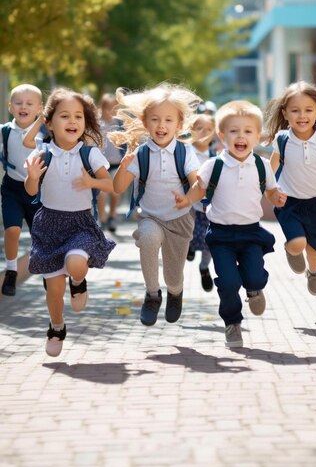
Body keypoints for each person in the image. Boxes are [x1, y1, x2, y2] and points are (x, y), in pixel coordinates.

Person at [174, 100, 287, 348]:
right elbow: (198, 188)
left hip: (251, 233)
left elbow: (269, 191)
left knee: (254, 277)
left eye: (248, 131)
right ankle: (232, 323)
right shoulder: (213, 165)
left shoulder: (262, 165)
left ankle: (255, 289)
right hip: (221, 235)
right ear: (221, 135)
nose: (241, 136)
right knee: (228, 282)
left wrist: (275, 197)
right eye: (234, 131)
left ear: (257, 136)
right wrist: (186, 200)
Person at [24, 87, 116, 357]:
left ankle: (78, 280)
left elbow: (109, 184)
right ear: (50, 123)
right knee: (54, 290)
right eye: (65, 116)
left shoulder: (90, 154)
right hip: (48, 226)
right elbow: (31, 192)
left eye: (79, 116)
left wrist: (92, 182)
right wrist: (31, 176)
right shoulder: (41, 154)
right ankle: (56, 326)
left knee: (76, 263)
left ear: (85, 122)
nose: (73, 121)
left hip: (80, 224)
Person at [111, 82, 201, 327]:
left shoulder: (185, 152)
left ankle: (175, 291)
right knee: (148, 237)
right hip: (150, 216)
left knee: (173, 274)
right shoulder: (140, 154)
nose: (161, 125)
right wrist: (122, 166)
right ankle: (152, 295)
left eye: (168, 120)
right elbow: (118, 188)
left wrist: (188, 199)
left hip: (180, 220)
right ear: (145, 121)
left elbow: (198, 184)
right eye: (155, 119)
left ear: (179, 125)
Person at [264, 81, 316, 295]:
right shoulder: (282, 140)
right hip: (289, 203)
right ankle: (291, 250)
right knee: (298, 243)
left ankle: (314, 272)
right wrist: (268, 190)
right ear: (285, 114)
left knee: (314, 250)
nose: (302, 115)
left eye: (308, 110)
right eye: (295, 110)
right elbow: (271, 170)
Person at [0, 84, 44, 296]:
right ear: (10, 107)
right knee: (12, 230)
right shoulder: (5, 131)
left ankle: (47, 271)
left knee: (41, 235)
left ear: (40, 109)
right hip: (11, 189)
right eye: (18, 103)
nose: (23, 107)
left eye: (29, 103)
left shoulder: (43, 136)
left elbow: (29, 146)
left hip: (36, 190)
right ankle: (11, 271)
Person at [186, 113, 216, 291]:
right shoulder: (186, 153)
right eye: (199, 128)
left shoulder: (216, 156)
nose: (204, 132)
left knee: (210, 240)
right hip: (189, 204)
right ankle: (189, 246)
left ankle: (204, 267)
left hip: (209, 206)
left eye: (209, 129)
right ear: (191, 131)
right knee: (189, 232)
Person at [97, 93, 126, 232]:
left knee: (115, 192)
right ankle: (101, 219)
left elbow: (126, 142)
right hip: (101, 165)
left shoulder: (120, 124)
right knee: (102, 193)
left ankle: (112, 216)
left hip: (116, 163)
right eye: (108, 108)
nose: (111, 111)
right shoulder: (97, 123)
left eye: (114, 108)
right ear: (102, 107)